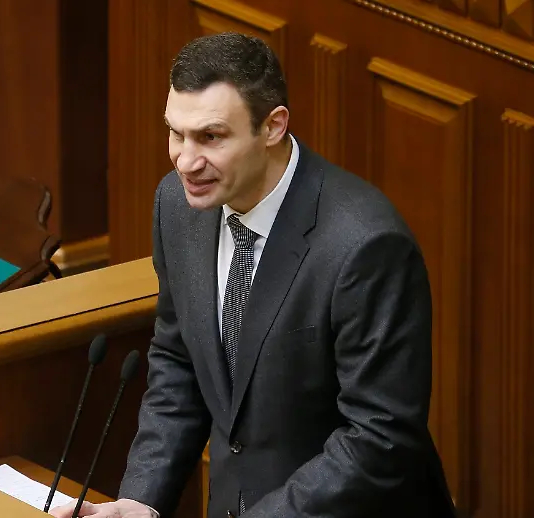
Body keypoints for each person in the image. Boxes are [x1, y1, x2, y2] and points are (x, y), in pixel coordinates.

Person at [51, 32, 456, 518]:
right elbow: (180, 358)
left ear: (273, 127)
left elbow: (378, 437)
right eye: (176, 133)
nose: (185, 161)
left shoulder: (364, 246)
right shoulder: (177, 205)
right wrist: (142, 498)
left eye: (211, 137)